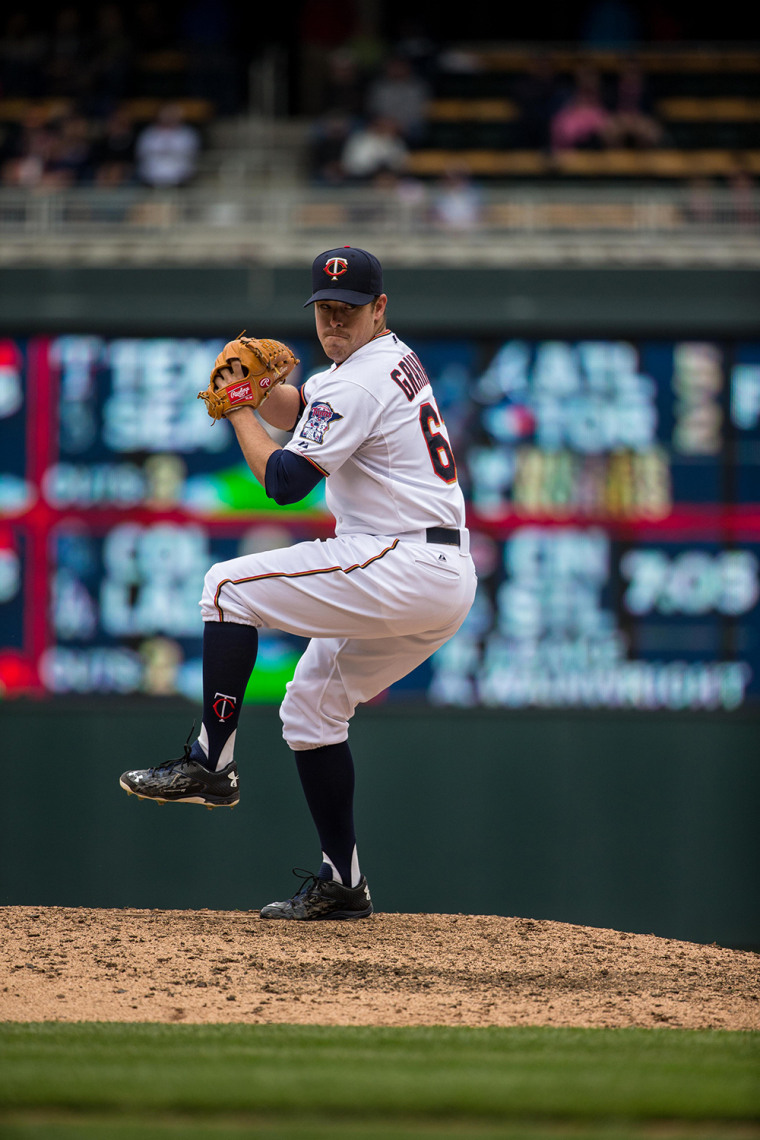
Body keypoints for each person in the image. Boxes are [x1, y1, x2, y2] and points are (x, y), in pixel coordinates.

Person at [120, 246, 477, 921]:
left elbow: (284, 482)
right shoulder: (383, 359)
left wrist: (236, 410)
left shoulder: (358, 381)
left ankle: (211, 762)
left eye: (349, 309)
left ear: (380, 307)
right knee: (311, 711)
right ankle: (344, 881)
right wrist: (260, 393)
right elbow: (309, 407)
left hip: (399, 560)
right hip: (439, 578)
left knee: (227, 587)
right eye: (325, 309)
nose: (334, 320)